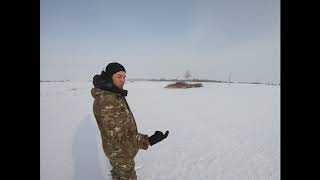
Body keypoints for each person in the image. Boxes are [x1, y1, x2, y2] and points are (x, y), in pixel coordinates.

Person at [91, 62, 169, 180]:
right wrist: (148, 140)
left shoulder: (113, 94)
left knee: (117, 175)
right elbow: (119, 139)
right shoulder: (106, 101)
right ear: (109, 77)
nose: (123, 80)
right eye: (119, 76)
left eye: (124, 77)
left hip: (119, 151)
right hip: (120, 153)